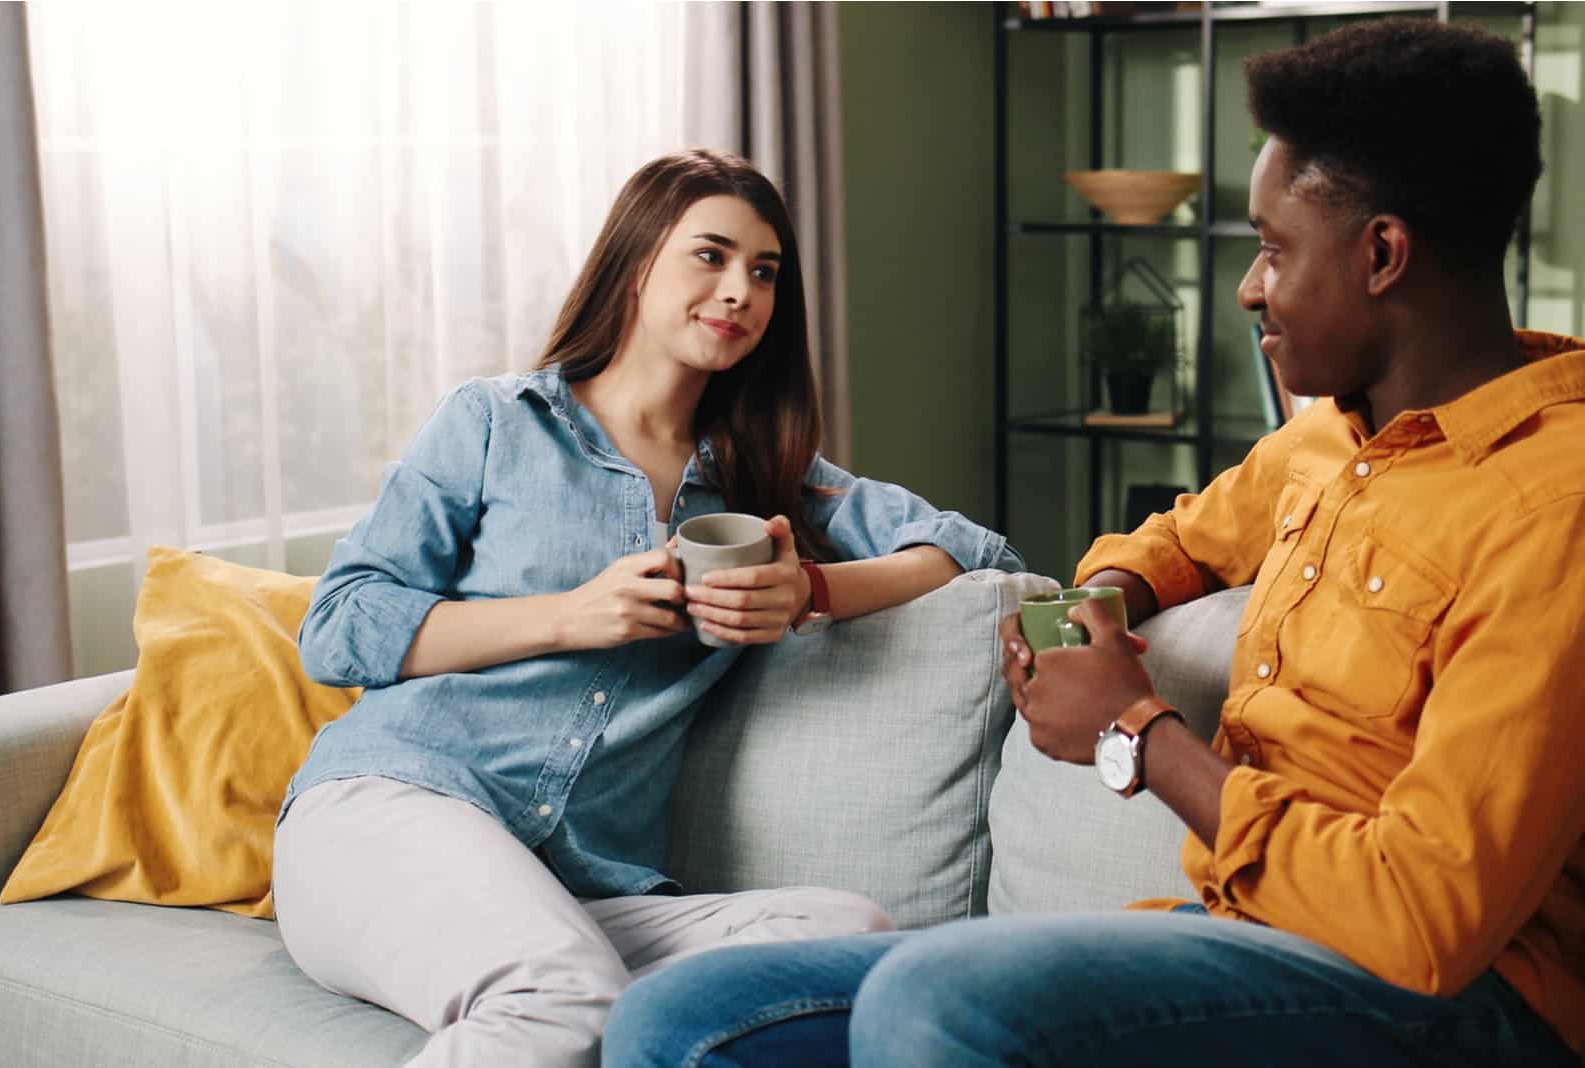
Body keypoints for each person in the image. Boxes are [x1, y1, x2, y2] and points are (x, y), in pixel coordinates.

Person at [601, 19, 1585, 1068]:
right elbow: (1177, 541)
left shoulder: (1551, 506)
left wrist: (1136, 730)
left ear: (1381, 254)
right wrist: (1098, 605)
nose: (1250, 287)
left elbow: (1426, 917)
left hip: (1451, 1004)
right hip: (1242, 940)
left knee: (942, 1004)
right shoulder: (1330, 438)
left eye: (1272, 249)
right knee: (682, 1019)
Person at [271, 148, 1023, 1067]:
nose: (739, 290)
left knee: (847, 934)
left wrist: (809, 592)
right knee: (564, 997)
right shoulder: (497, 423)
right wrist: (567, 616)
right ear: (635, 265)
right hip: (389, 812)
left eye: (765, 272)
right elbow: (339, 624)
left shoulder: (767, 484)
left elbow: (975, 551)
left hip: (580, 887)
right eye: (710, 257)